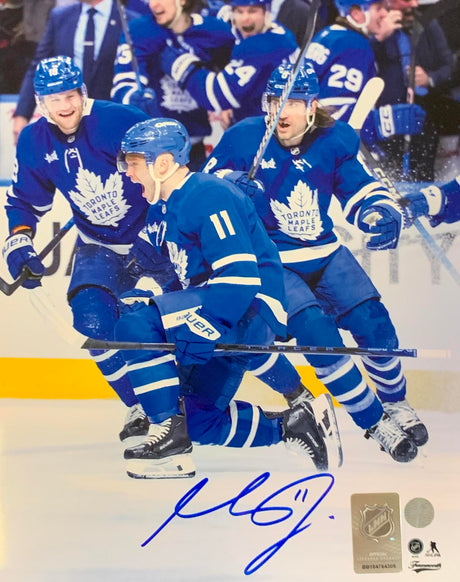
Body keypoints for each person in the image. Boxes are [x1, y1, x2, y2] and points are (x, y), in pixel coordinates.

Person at [203, 60, 429, 463]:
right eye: (275, 101)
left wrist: (379, 211)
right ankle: (374, 421)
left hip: (325, 252)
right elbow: (201, 191)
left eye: (293, 102)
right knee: (318, 336)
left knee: (376, 326)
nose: (281, 111)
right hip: (273, 262)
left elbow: (359, 188)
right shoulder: (243, 138)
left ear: (312, 106)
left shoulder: (336, 138)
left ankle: (395, 403)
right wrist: (229, 189)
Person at [113, 116, 340, 478]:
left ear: (163, 163)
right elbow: (172, 274)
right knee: (199, 421)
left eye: (134, 163)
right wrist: (147, 295)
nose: (128, 172)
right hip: (224, 311)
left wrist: (207, 323)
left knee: (134, 328)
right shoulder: (167, 207)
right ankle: (294, 426)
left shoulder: (207, 194)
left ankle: (167, 433)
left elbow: (239, 276)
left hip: (247, 310)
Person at [1, 55, 169, 444]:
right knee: (92, 321)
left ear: (83, 92)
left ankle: (192, 403)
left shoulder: (119, 121)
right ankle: (140, 405)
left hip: (155, 239)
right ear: (40, 102)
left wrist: (160, 230)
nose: (64, 106)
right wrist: (20, 239)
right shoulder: (34, 140)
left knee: (179, 322)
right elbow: (24, 201)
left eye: (70, 95)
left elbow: (168, 177)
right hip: (99, 244)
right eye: (54, 99)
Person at [111, 0, 235, 169]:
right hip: (153, 150)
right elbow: (124, 81)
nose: (154, 5)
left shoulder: (215, 31)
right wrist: (133, 98)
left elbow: (235, 73)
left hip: (194, 148)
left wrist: (230, 104)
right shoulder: (139, 30)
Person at [12, 0, 142, 144]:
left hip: (112, 127)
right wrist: (22, 114)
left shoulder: (131, 21)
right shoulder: (60, 16)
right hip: (66, 124)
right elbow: (39, 66)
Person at [158, 0, 298, 130]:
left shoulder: (263, 45)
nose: (245, 18)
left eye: (252, 11)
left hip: (270, 131)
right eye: (239, 11)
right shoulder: (276, 32)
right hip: (270, 121)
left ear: (266, 12)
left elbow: (217, 95)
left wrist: (181, 65)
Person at [305, 0, 425, 147]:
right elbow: (334, 115)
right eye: (378, 8)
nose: (385, 13)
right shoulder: (355, 45)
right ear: (357, 13)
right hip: (328, 148)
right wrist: (383, 121)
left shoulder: (329, 34)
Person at [371, 0, 454, 181]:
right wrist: (378, 38)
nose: (415, 5)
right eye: (407, 2)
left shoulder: (427, 24)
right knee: (386, 177)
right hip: (385, 117)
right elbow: (361, 58)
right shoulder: (374, 23)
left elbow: (449, 66)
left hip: (422, 114)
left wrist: (430, 78)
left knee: (423, 174)